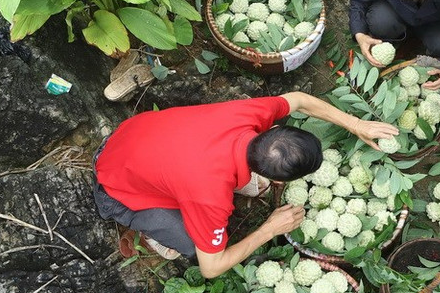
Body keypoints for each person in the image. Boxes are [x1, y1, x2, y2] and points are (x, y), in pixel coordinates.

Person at [93, 92, 398, 278]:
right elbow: (211, 269)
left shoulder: (248, 114)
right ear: (277, 179)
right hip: (116, 186)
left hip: (132, 137)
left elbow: (301, 100)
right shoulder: (210, 196)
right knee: (194, 246)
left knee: (187, 178)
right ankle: (151, 230)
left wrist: (356, 124)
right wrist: (269, 229)